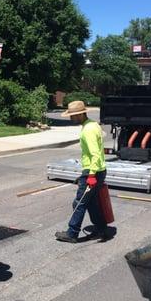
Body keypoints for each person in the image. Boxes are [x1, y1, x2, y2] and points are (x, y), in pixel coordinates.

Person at [55, 101, 108, 243]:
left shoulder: (88, 130)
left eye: (72, 116)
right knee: (91, 203)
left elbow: (95, 154)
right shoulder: (92, 124)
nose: (71, 118)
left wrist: (90, 175)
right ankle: (102, 229)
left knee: (79, 203)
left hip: (94, 171)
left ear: (80, 114)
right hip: (98, 170)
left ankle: (72, 233)